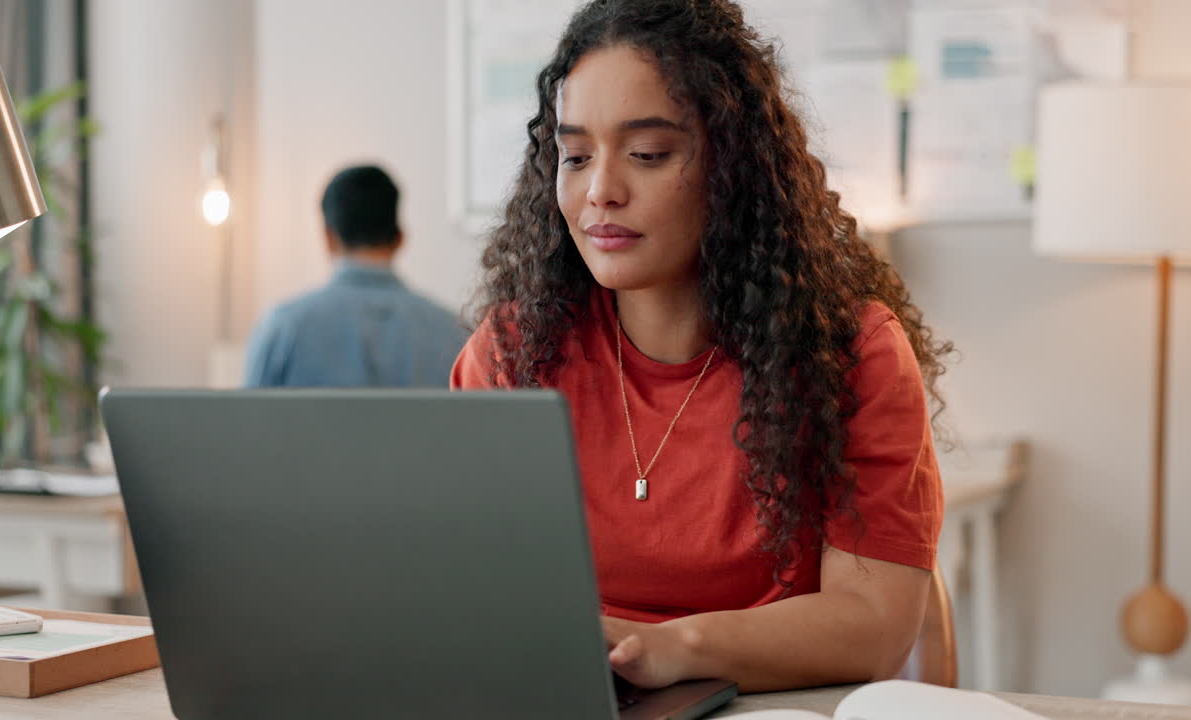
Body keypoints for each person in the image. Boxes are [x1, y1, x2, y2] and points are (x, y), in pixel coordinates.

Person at [450, 0, 954, 694]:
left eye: (649, 154)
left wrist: (670, 646)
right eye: (574, 156)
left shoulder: (851, 356)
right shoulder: (515, 352)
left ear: (732, 167)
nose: (601, 191)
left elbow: (874, 624)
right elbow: (470, 599)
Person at [244, 165, 466, 388]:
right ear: (400, 238)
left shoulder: (282, 329)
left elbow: (247, 420)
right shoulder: (455, 335)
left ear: (328, 237)